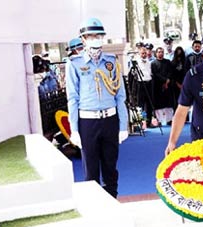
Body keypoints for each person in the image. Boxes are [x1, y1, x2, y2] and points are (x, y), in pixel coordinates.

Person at [66, 18, 128, 198]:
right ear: (83, 39)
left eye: (98, 35)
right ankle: (94, 207)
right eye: (91, 36)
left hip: (110, 120)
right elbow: (72, 98)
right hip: (88, 122)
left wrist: (123, 125)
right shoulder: (75, 63)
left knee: (110, 167)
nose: (96, 39)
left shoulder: (111, 62)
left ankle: (112, 202)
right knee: (91, 170)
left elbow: (120, 96)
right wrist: (74, 129)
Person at [151, 47, 175, 126]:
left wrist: (167, 81)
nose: (160, 53)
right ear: (156, 53)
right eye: (159, 52)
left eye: (162, 52)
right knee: (159, 105)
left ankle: (169, 120)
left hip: (168, 86)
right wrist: (164, 80)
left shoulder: (167, 62)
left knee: (168, 104)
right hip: (158, 86)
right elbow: (156, 74)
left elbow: (170, 72)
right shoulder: (153, 63)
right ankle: (160, 120)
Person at [136, 45, 155, 129]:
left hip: (149, 83)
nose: (144, 55)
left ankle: (149, 121)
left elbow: (150, 73)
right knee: (141, 104)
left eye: (145, 53)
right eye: (142, 53)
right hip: (140, 84)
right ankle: (140, 122)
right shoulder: (136, 62)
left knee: (149, 104)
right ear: (139, 54)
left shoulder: (148, 62)